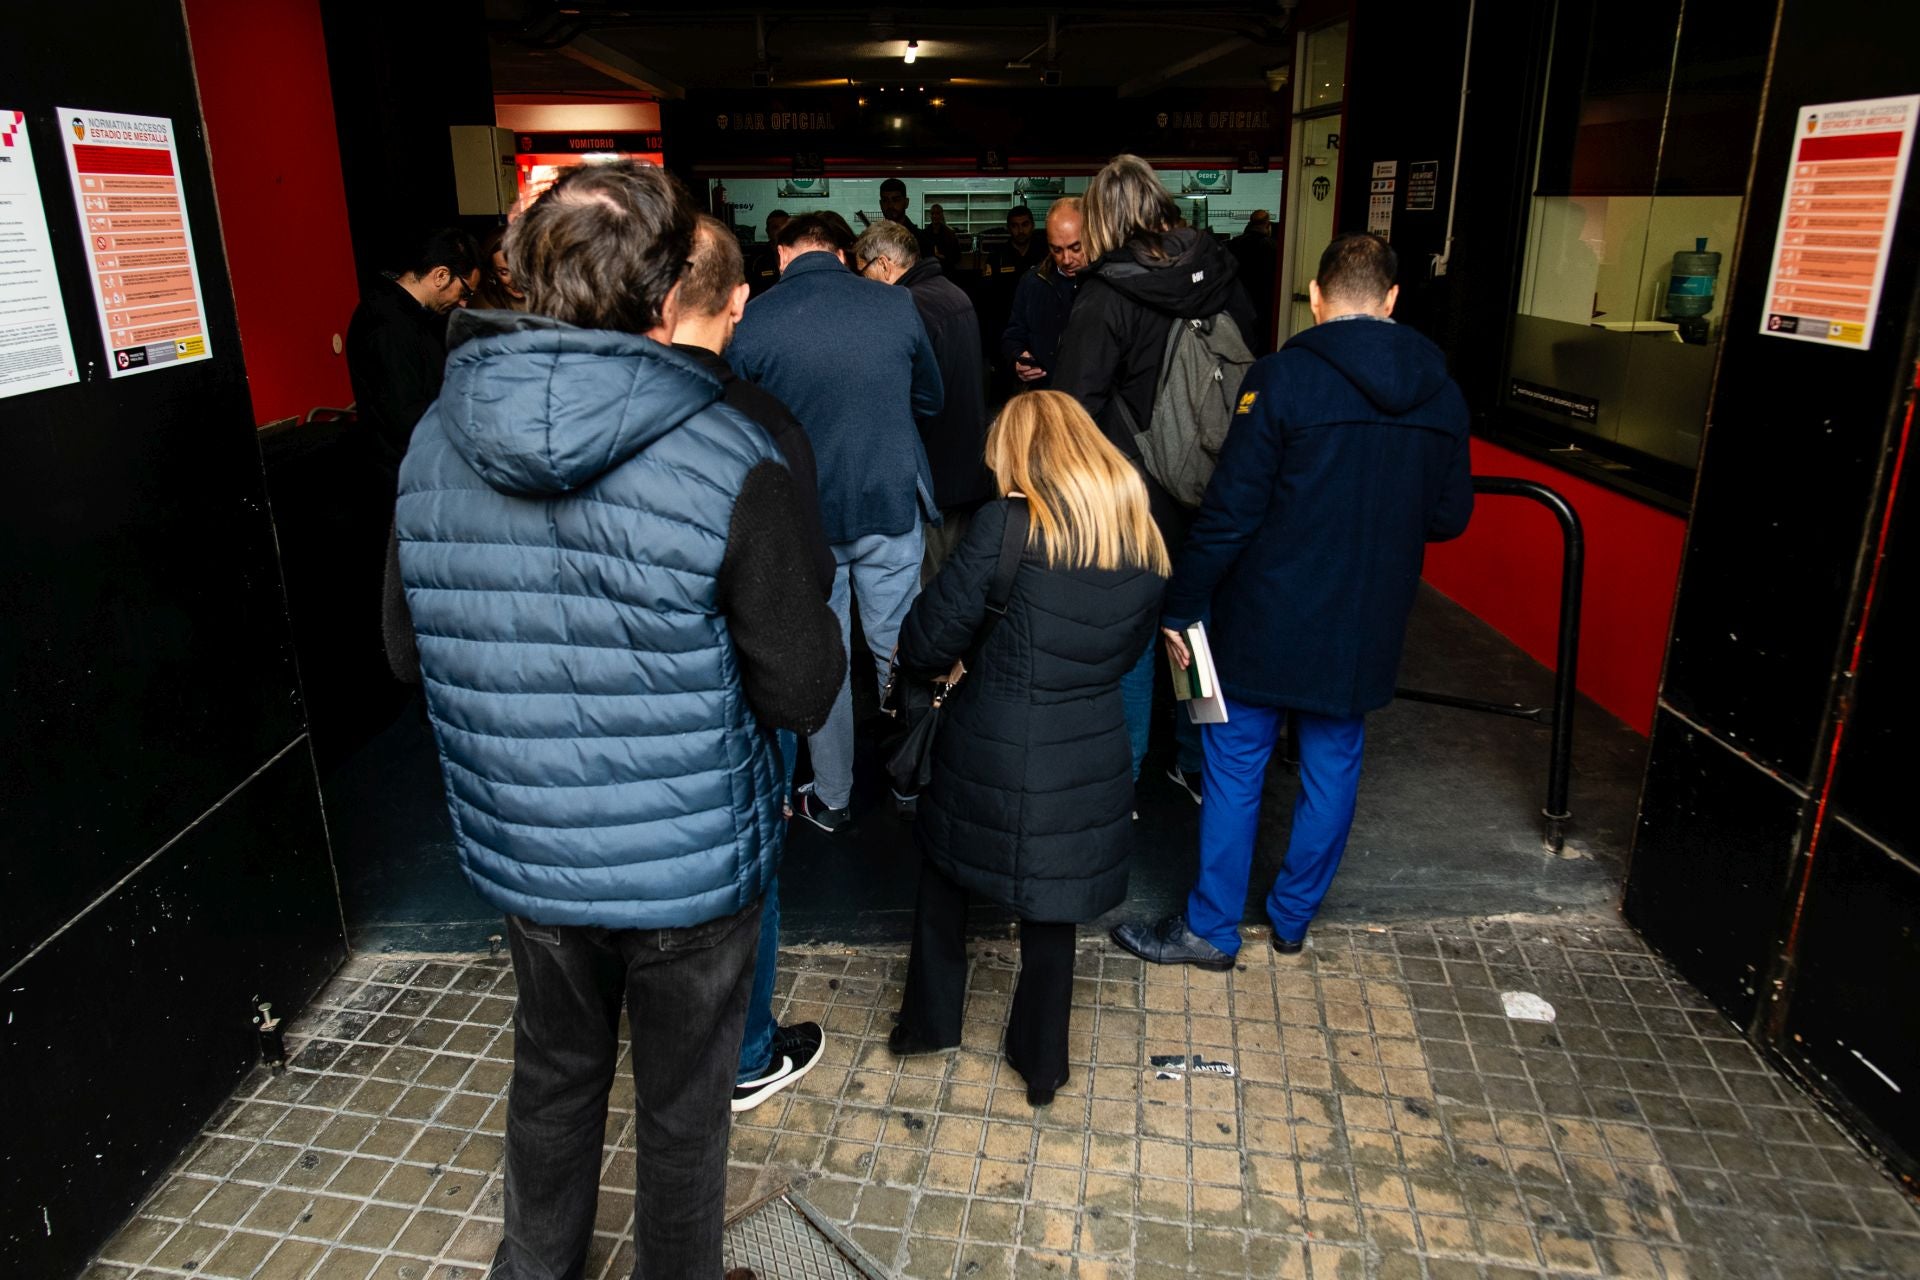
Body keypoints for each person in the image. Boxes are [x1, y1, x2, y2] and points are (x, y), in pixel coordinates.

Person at [391, 161, 843, 1279]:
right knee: (683, 1106)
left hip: (527, 845)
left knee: (551, 1072)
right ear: (661, 296)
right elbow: (801, 688)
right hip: (687, 865)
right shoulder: (732, 452)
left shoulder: (431, 443)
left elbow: (404, 653)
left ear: (523, 272)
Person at [1110, 233, 1474, 970]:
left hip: (1267, 614)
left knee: (1236, 762)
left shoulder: (1281, 380)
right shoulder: (1442, 389)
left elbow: (1232, 513)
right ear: (1392, 299)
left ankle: (1211, 932)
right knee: (1334, 762)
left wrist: (1182, 603)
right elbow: (1450, 516)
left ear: (1315, 296)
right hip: (1366, 618)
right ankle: (1292, 922)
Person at [888, 390, 1169, 1105]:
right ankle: (1042, 1063)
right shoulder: (1138, 536)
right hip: (1087, 751)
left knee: (944, 872)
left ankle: (930, 1024)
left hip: (992, 743)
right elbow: (1128, 651)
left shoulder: (1006, 526)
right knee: (1053, 907)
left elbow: (924, 641)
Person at [667, 214, 835, 1114]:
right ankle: (745, 1056)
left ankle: (682, 1044)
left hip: (580, 748)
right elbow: (810, 579)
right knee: (747, 872)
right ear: (739, 301)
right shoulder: (758, 424)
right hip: (728, 701)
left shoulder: (500, 414)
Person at [730, 213, 944, 832]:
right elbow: (929, 399)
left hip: (801, 518)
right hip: (887, 498)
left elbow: (740, 425)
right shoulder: (896, 307)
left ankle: (833, 794)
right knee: (900, 649)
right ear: (846, 254)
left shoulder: (755, 320)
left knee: (823, 654)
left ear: (781, 256)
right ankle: (912, 780)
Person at [1052, 154, 1256, 801]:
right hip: (1219, 485)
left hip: (1136, 494)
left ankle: (1126, 769)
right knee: (1193, 631)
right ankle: (1196, 766)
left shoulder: (1107, 293)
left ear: (1105, 218)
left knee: (1135, 639)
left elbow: (1071, 407)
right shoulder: (1224, 273)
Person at [853, 219, 992, 581]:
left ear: (883, 265)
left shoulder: (907, 305)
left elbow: (911, 395)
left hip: (933, 469)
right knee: (960, 578)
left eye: (862, 271)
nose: (860, 282)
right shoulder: (951, 292)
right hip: (965, 463)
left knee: (928, 585)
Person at [345, 227, 481, 473]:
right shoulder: (387, 323)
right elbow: (404, 416)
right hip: (402, 472)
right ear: (441, 275)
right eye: (464, 292)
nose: (463, 303)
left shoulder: (415, 315)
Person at [1000, 196, 1087, 391]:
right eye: (1056, 249)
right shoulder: (1032, 282)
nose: (1066, 259)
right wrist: (1017, 359)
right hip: (1045, 396)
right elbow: (1013, 335)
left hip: (1090, 404)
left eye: (1075, 248)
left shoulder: (1104, 285)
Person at [1230, 208, 1278, 349]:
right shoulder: (1273, 247)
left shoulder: (1235, 244)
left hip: (1239, 300)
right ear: (1267, 224)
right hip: (1264, 303)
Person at [878, 175, 936, 259]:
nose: (890, 205)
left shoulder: (922, 239)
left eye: (896, 200)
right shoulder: (874, 238)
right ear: (880, 204)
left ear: (906, 202)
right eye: (885, 200)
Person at [474, 224, 527, 312]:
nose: (515, 281)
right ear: (493, 273)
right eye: (504, 272)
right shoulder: (483, 306)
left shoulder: (552, 299)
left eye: (520, 269)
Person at [747, 208, 789, 298]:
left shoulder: (799, 255)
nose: (780, 231)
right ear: (767, 231)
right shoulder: (757, 259)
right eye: (775, 227)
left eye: (784, 227)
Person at [924, 202, 965, 272]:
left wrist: (944, 258)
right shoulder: (924, 234)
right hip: (930, 270)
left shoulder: (950, 234)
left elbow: (957, 256)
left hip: (946, 270)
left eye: (937, 213)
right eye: (932, 213)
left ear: (941, 215)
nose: (934, 216)